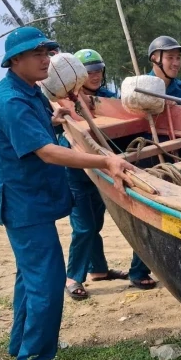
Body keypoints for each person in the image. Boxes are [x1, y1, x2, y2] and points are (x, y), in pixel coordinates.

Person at [0, 26, 133, 360]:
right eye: (36, 54)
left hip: (34, 198)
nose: (45, 60)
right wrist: (105, 161)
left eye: (47, 52)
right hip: (25, 205)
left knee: (29, 276)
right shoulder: (11, 101)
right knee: (47, 282)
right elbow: (47, 152)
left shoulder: (30, 91)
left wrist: (55, 119)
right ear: (15, 60)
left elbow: (42, 130)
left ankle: (20, 344)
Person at [59, 49, 128, 301]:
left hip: (102, 170)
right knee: (85, 227)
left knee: (96, 222)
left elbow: (126, 111)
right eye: (89, 72)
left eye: (98, 70)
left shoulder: (108, 97)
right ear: (78, 75)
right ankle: (73, 277)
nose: (95, 75)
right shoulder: (62, 101)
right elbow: (62, 140)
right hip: (77, 173)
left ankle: (97, 270)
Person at [126, 35, 181, 290]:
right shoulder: (138, 87)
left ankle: (176, 265)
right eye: (171, 58)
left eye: (178, 58)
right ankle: (138, 270)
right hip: (148, 154)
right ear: (155, 58)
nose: (176, 63)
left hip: (177, 151)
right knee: (147, 212)